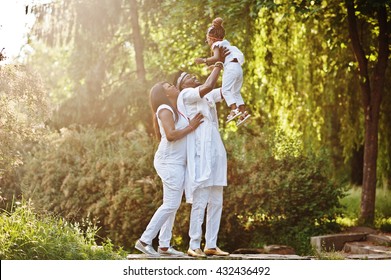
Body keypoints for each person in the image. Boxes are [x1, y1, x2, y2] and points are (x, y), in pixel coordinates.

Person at [135, 81, 204, 256]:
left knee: (172, 204)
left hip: (176, 163)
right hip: (168, 162)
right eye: (168, 86)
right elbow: (172, 135)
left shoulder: (174, 108)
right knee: (171, 204)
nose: (173, 86)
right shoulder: (164, 108)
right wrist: (191, 127)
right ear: (163, 94)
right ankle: (144, 240)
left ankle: (164, 245)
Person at [175, 54, 230, 257]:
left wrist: (230, 64)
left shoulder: (205, 97)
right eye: (188, 76)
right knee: (202, 198)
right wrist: (217, 63)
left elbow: (224, 91)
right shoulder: (187, 95)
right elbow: (207, 86)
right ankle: (194, 244)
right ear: (182, 85)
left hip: (215, 146)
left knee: (217, 199)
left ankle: (212, 244)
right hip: (201, 150)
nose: (193, 76)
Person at [195, 17, 251, 127]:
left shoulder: (216, 45)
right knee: (236, 92)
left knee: (226, 90)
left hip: (230, 68)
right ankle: (243, 113)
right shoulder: (226, 44)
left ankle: (234, 110)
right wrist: (213, 66)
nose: (208, 43)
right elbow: (221, 59)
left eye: (208, 40)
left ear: (212, 38)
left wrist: (203, 60)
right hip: (238, 68)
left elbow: (216, 57)